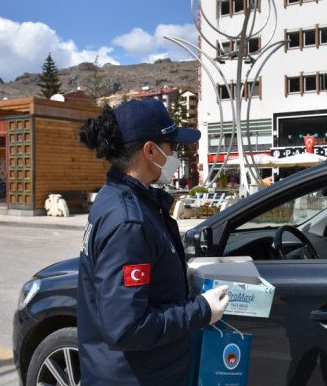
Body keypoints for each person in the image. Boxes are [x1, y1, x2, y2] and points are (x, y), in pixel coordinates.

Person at [76, 98, 229, 385]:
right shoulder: (129, 221)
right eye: (173, 146)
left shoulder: (122, 200)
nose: (176, 155)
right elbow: (127, 327)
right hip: (136, 376)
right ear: (150, 150)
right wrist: (201, 311)